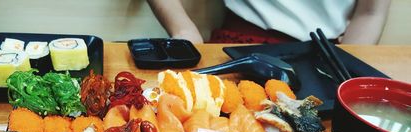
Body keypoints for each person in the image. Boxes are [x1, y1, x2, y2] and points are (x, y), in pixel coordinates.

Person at [147, 0, 391, 44]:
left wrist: (347, 66)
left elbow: (371, 12)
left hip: (328, 51)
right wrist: (184, 29)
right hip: (240, 40)